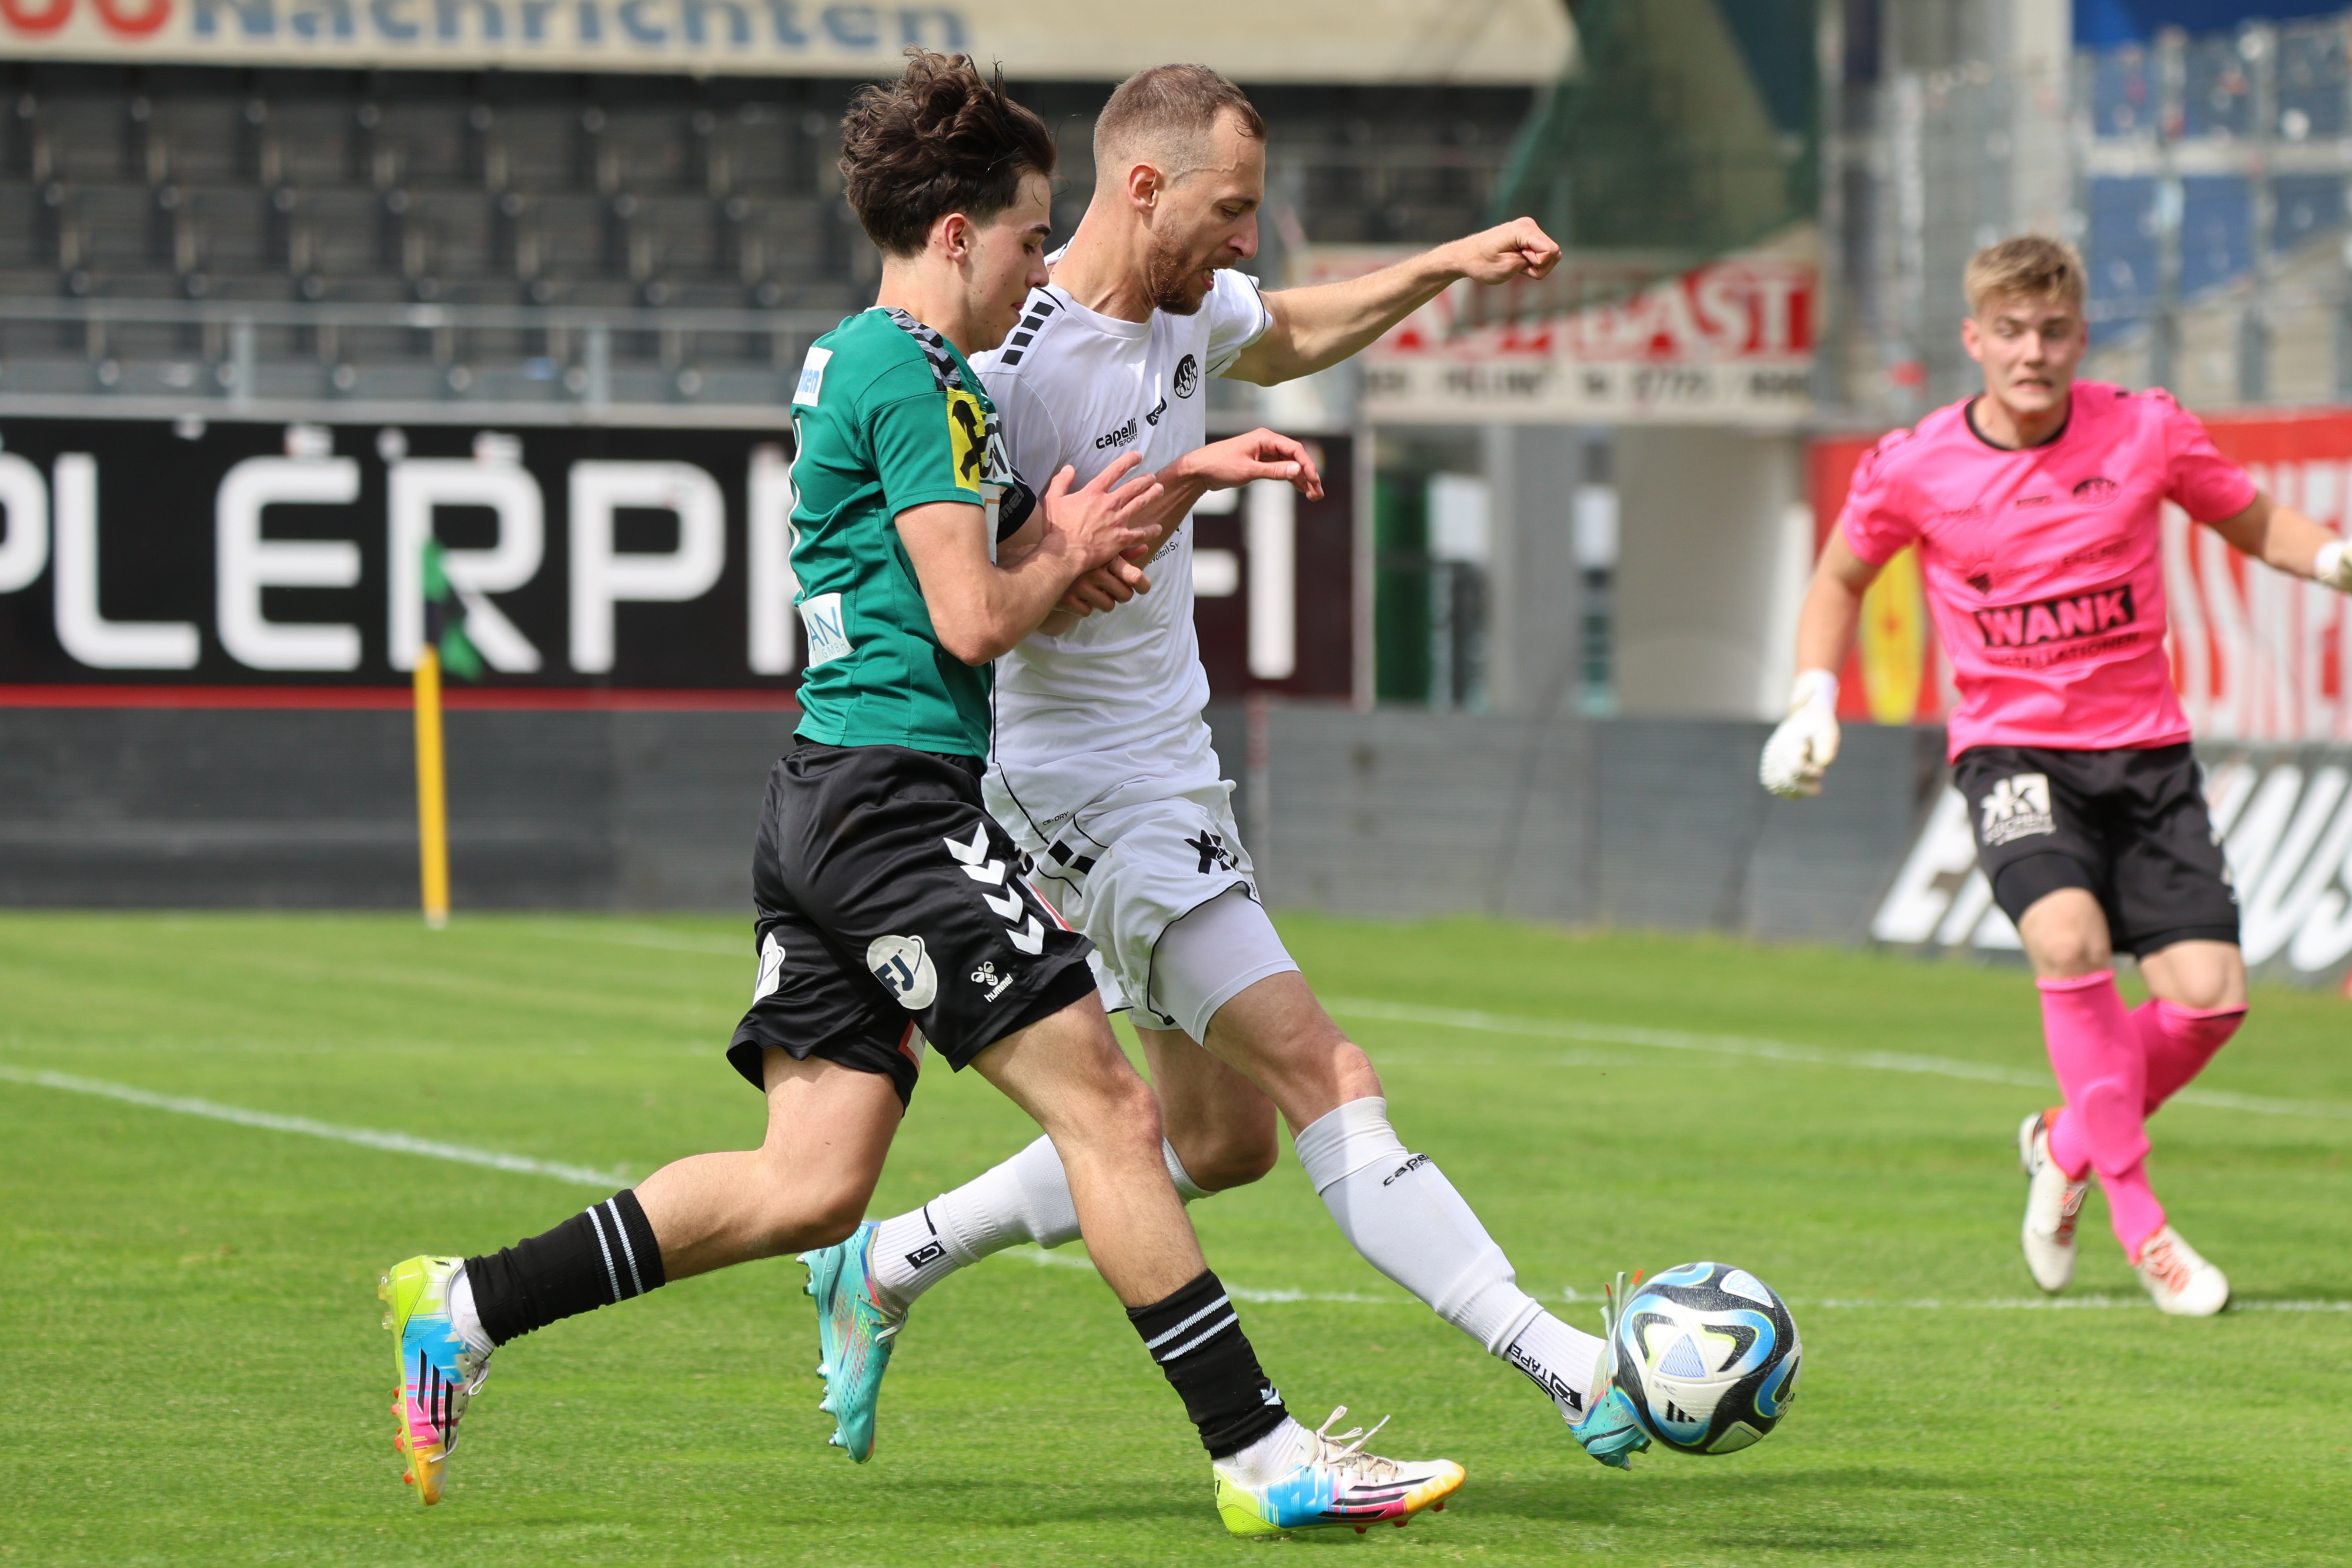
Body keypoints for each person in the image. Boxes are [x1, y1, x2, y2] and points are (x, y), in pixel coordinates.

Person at [376, 52, 1466, 1537]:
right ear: (956, 233)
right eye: (1026, 236)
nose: (1038, 265)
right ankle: (1263, 1452)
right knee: (1109, 1111)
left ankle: (465, 1305)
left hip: (823, 795)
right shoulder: (919, 373)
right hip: (896, 805)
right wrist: (1056, 553)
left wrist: (1167, 482)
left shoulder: (863, 360)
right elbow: (974, 617)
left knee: (809, 1185)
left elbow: (1003, 559)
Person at [796, 62, 1664, 1475]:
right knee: (1324, 1065)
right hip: (1078, 784)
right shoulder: (1005, 366)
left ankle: (888, 1259)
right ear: (1144, 187)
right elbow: (1014, 586)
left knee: (1221, 1139)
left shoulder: (1189, 301)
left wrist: (1442, 264)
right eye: (1231, 209)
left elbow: (1294, 327)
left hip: (1170, 768)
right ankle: (1567, 1365)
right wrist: (1181, 487)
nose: (1248, 237)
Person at [1760, 235, 2352, 1315]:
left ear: (2081, 338)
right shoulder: (1916, 465)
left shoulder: (2146, 430)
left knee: (2210, 1001)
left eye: (2053, 331)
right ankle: (2143, 1227)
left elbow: (2256, 520)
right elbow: (1841, 578)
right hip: (2014, 754)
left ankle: (2065, 1142)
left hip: (2146, 755)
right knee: (2067, 941)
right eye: (2011, 332)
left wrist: (2330, 557)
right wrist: (1811, 695)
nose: (2032, 352)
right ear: (1973, 339)